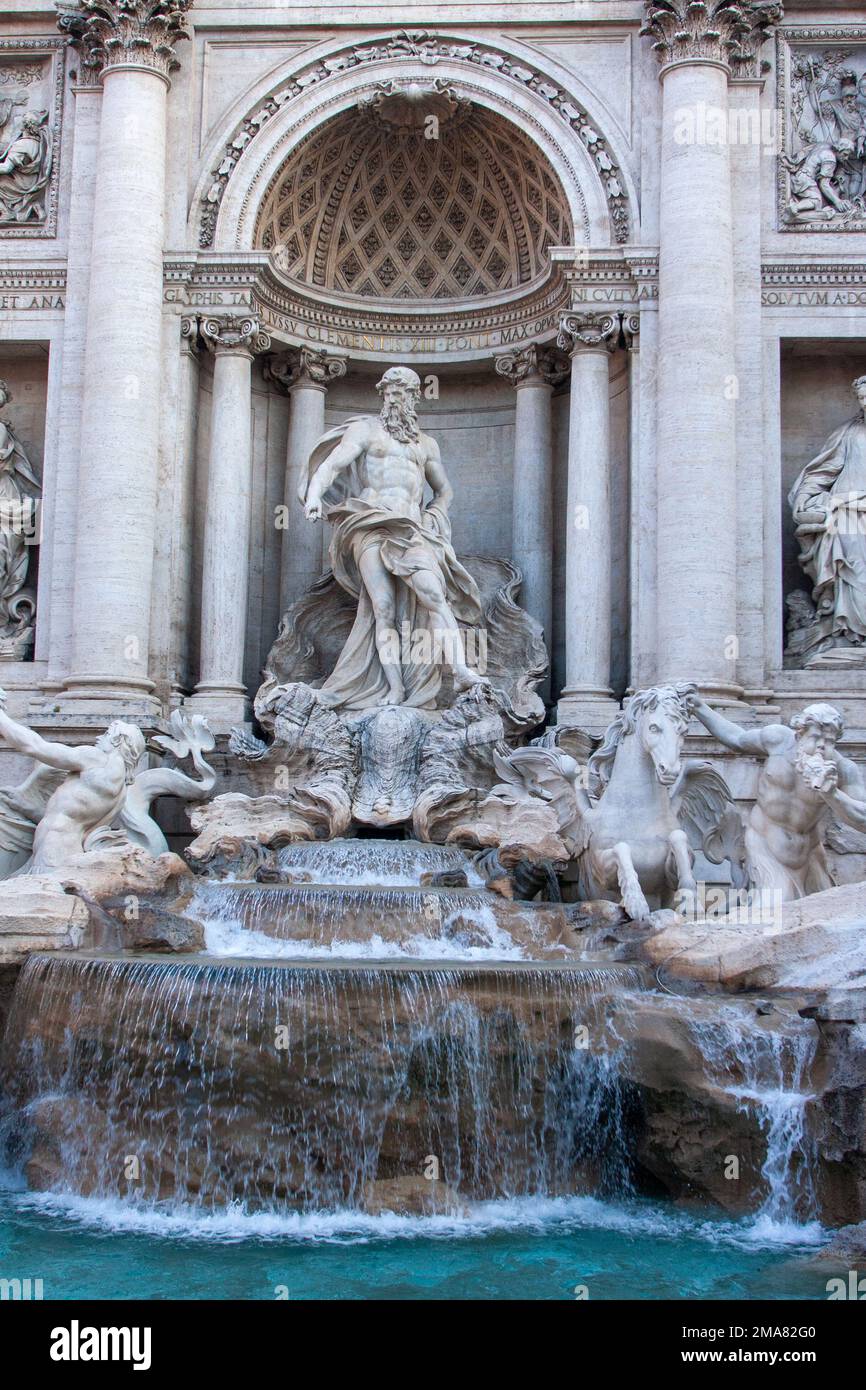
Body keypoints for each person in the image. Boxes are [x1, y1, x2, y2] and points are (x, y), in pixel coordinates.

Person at [300, 366, 487, 710]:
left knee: (435, 594)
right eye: (389, 392)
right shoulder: (365, 430)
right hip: (370, 524)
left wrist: (434, 516)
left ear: (416, 397)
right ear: (382, 395)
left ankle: (460, 669)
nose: (394, 398)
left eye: (402, 392)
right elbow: (333, 466)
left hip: (411, 529)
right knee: (382, 606)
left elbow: (444, 491)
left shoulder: (426, 445)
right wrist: (314, 495)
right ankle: (395, 689)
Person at [686, 695, 866, 901]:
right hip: (766, 846)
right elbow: (736, 738)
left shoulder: (844, 770)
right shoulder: (778, 740)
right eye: (816, 737)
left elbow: (862, 819)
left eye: (830, 741)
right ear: (800, 734)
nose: (822, 746)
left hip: (809, 855)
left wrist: (832, 794)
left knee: (819, 915)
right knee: (775, 912)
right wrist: (700, 708)